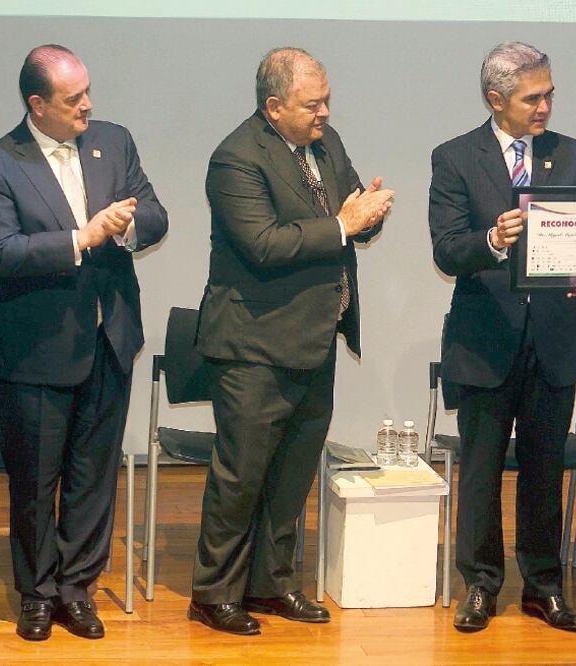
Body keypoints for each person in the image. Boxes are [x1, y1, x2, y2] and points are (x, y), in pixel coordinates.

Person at [0, 44, 168, 641]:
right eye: (73, 98)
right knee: (34, 485)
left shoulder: (114, 139)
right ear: (37, 104)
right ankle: (37, 593)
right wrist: (81, 236)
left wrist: (129, 224)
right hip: (34, 352)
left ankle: (77, 588)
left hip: (109, 336)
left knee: (92, 477)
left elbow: (153, 212)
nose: (88, 105)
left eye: (88, 92)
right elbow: (3, 253)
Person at [190, 47, 393, 636]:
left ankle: (272, 583)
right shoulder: (235, 159)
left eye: (327, 99)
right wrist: (344, 225)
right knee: (241, 474)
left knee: (292, 472)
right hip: (253, 343)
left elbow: (349, 209)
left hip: (312, 336)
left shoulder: (325, 143)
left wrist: (368, 214)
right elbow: (264, 244)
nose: (325, 112)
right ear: (274, 106)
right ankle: (214, 592)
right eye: (313, 103)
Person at [428, 41, 576, 634]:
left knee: (545, 468)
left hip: (553, 339)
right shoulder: (454, 157)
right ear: (495, 100)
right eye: (533, 97)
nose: (545, 106)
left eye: (550, 93)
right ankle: (479, 584)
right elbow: (448, 250)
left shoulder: (573, 155)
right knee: (479, 469)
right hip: (484, 340)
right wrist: (493, 241)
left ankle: (544, 587)